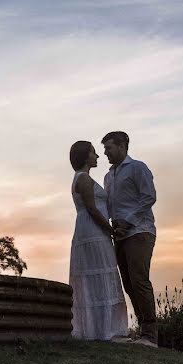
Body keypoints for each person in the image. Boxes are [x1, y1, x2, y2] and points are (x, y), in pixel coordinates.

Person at [101, 130, 158, 347]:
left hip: (140, 232)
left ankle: (151, 336)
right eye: (105, 149)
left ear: (122, 146)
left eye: (109, 148)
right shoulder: (108, 176)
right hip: (120, 235)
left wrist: (129, 221)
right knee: (128, 284)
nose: (105, 152)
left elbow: (149, 197)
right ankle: (143, 331)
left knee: (139, 280)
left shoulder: (137, 168)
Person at [68, 140, 128, 341]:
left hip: (92, 229)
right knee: (100, 271)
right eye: (94, 152)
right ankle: (102, 331)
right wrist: (110, 229)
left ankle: (101, 328)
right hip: (92, 230)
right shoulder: (83, 178)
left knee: (101, 272)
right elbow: (92, 209)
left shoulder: (84, 178)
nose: (97, 156)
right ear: (86, 156)